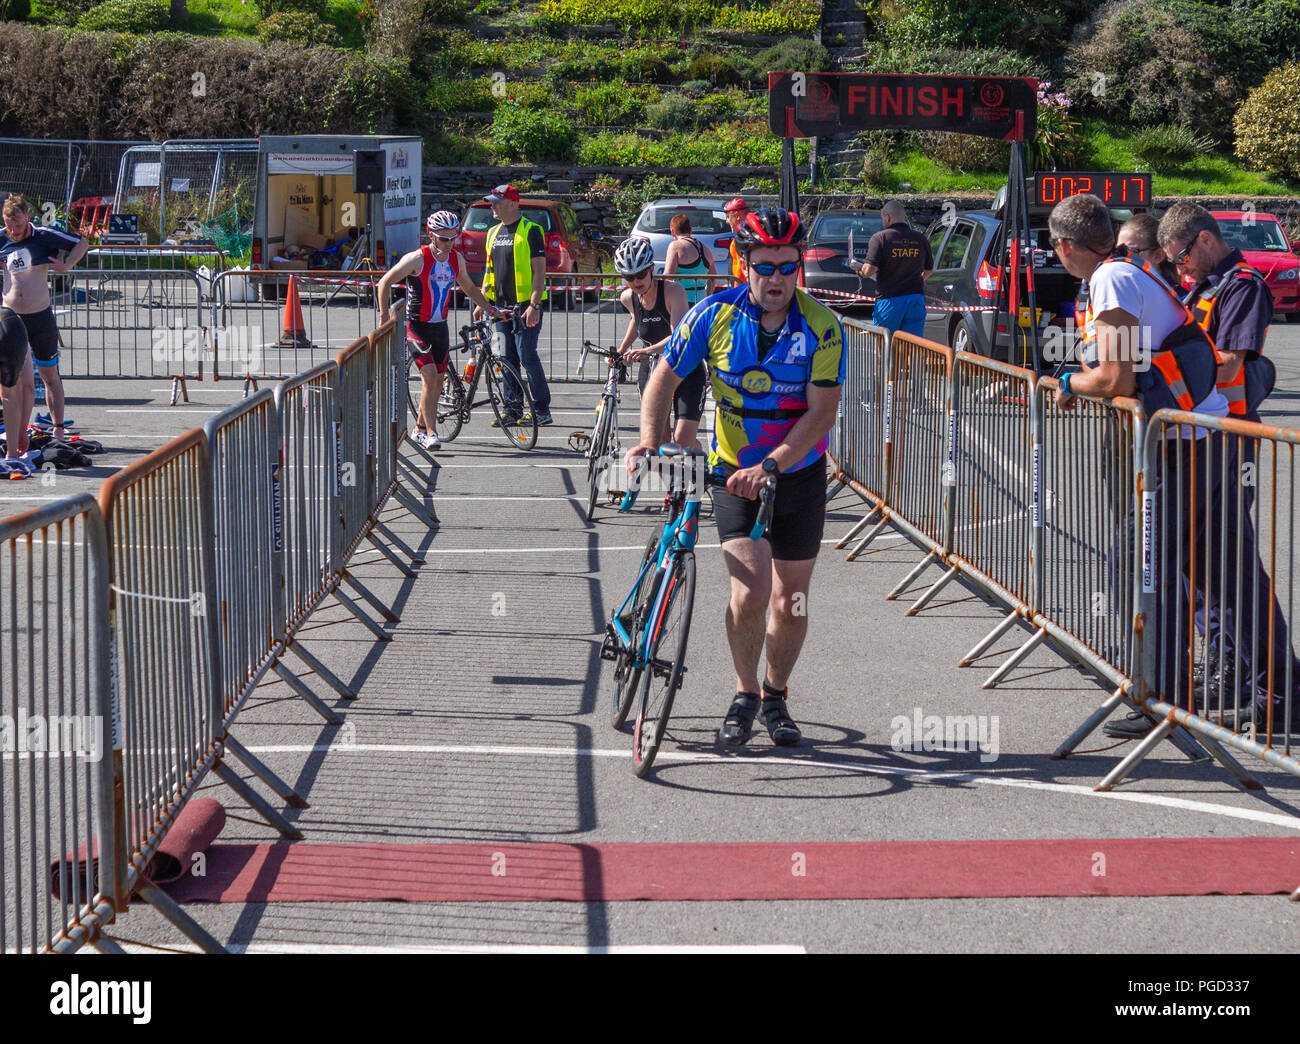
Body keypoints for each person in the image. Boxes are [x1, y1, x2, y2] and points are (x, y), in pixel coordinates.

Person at [627, 208, 844, 749]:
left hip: (795, 472)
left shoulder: (822, 326)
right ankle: (745, 693)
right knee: (750, 590)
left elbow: (821, 413)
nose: (777, 279)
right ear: (742, 263)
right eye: (765, 266)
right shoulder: (712, 315)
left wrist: (771, 465)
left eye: (788, 267)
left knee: (790, 600)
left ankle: (776, 695)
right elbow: (662, 379)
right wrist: (650, 441)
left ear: (799, 268)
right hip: (731, 471)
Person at [1043, 194, 1228, 742]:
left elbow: (1115, 380)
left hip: (1186, 442)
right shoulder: (1121, 275)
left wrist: (1064, 382)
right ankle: (1166, 691)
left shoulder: (1112, 281)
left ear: (1065, 245)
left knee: (1134, 562)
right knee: (1172, 565)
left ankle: (1155, 694)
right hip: (1192, 438)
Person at [1155, 201, 1297, 731]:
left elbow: (1230, 362)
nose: (1182, 269)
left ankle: (1268, 682)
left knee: (1228, 563)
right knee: (1206, 563)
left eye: (1184, 258)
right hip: (1202, 437)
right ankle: (1236, 668)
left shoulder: (1242, 286)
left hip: (1231, 438)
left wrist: (1170, 376)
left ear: (1206, 240)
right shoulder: (1197, 287)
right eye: (1175, 263)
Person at [378, 210, 502, 450]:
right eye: (443, 238)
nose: (449, 243)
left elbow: (469, 287)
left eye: (453, 237)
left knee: (438, 382)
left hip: (440, 328)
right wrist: (385, 316)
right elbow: (385, 282)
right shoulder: (417, 258)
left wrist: (489, 308)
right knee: (430, 377)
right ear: (431, 235)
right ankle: (432, 434)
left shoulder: (457, 260)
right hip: (416, 327)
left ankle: (419, 429)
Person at [0, 194, 88, 444]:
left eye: (17, 224)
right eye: (9, 225)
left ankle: (58, 427)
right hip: (11, 319)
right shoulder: (2, 237)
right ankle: (15, 432)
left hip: (40, 317)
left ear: (27, 217)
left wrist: (67, 265)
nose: (13, 230)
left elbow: (82, 243)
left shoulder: (43, 235)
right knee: (14, 380)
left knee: (50, 376)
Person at [611, 237, 701, 449]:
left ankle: (701, 477)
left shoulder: (673, 291)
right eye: (629, 277)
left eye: (641, 274)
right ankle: (672, 482)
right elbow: (637, 320)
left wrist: (645, 350)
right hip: (652, 366)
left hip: (684, 365)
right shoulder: (628, 297)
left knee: (682, 440)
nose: (636, 282)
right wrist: (621, 350)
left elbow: (678, 336)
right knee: (660, 439)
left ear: (652, 269)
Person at [475, 184, 552, 426]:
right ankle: (512, 409)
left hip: (525, 306)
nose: (492, 206)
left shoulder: (531, 230)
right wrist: (483, 300)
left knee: (527, 356)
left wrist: (535, 305)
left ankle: (541, 411)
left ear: (512, 203)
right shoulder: (492, 233)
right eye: (492, 202)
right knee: (506, 358)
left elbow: (540, 272)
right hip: (499, 307)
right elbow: (490, 271)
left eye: (497, 202)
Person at [848, 200, 932, 337]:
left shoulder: (880, 238)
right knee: (912, 346)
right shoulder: (920, 238)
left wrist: (858, 270)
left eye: (883, 218)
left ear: (887, 217)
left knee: (885, 344)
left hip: (890, 300)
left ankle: (888, 360)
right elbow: (929, 269)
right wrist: (919, 280)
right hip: (915, 298)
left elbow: (869, 270)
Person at [0, 306, 34, 477]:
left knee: (7, 394)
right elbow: (29, 389)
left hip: (12, 325)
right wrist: (22, 433)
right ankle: (12, 455)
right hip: (13, 325)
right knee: (9, 393)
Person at [662, 213, 717, 308]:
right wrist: (707, 296)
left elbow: (668, 276)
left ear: (672, 232)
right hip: (702, 302)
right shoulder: (705, 249)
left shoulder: (675, 246)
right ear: (690, 230)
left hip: (681, 301)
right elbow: (713, 276)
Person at [1117, 213, 1179, 288]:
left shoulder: (1179, 298)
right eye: (1118, 250)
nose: (1120, 258)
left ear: (1158, 256)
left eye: (1131, 251)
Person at [723, 198, 749, 286]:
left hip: (743, 290)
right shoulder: (751, 235)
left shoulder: (740, 240)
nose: (727, 221)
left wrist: (736, 291)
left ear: (737, 216)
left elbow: (740, 271)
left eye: (728, 217)